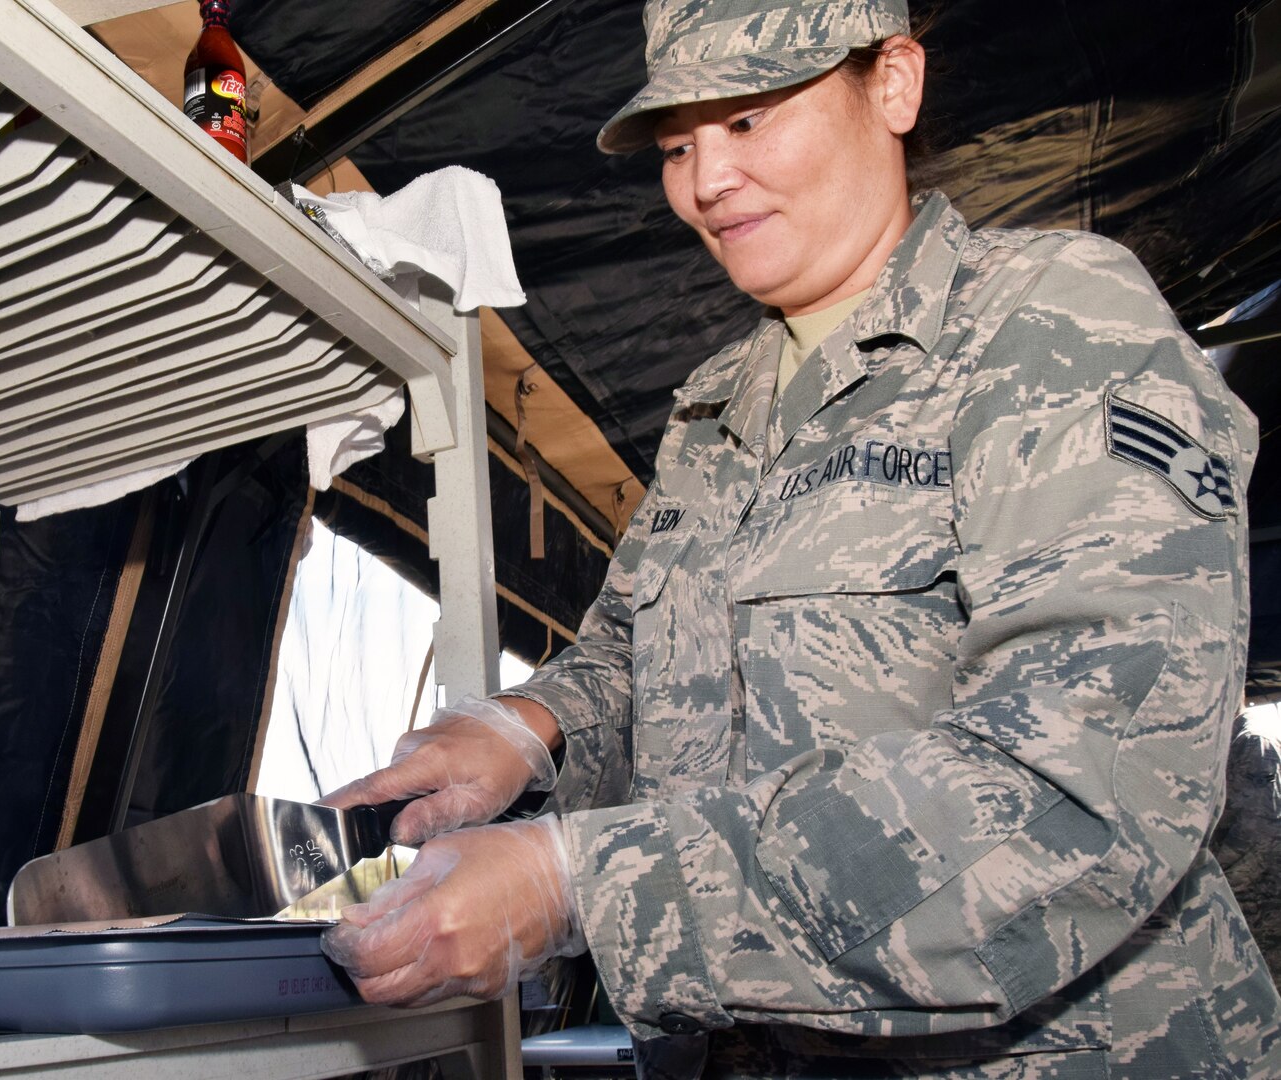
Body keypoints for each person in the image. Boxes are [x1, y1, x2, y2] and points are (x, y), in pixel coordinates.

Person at [320, 0, 1281, 1074]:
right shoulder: (715, 401)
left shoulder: (1051, 323)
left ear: (895, 85)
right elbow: (637, 651)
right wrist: (526, 727)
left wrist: (582, 883)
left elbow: (1084, 782)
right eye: (679, 143)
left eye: (749, 118)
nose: (704, 181)